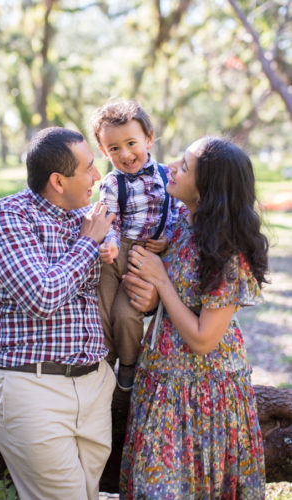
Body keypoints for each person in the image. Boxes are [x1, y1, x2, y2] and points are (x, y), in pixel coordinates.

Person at [119, 137, 268, 499]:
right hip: (163, 383)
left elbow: (204, 340)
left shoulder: (228, 250)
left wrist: (160, 281)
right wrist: (154, 295)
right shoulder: (183, 223)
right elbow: (178, 298)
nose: (171, 167)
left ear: (208, 189)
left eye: (185, 167)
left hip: (204, 393)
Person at [0, 127, 117, 500]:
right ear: (57, 180)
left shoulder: (84, 215)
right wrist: (89, 243)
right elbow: (42, 295)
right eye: (88, 168)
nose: (97, 176)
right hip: (35, 389)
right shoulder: (7, 218)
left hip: (93, 387)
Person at [90, 99, 181, 391]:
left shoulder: (168, 177)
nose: (125, 154)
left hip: (145, 254)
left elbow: (178, 214)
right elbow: (111, 219)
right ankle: (102, 365)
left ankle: (128, 364)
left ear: (149, 138)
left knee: (126, 313)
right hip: (116, 250)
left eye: (132, 143)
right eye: (114, 148)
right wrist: (111, 244)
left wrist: (167, 240)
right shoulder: (112, 183)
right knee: (101, 309)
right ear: (104, 151)